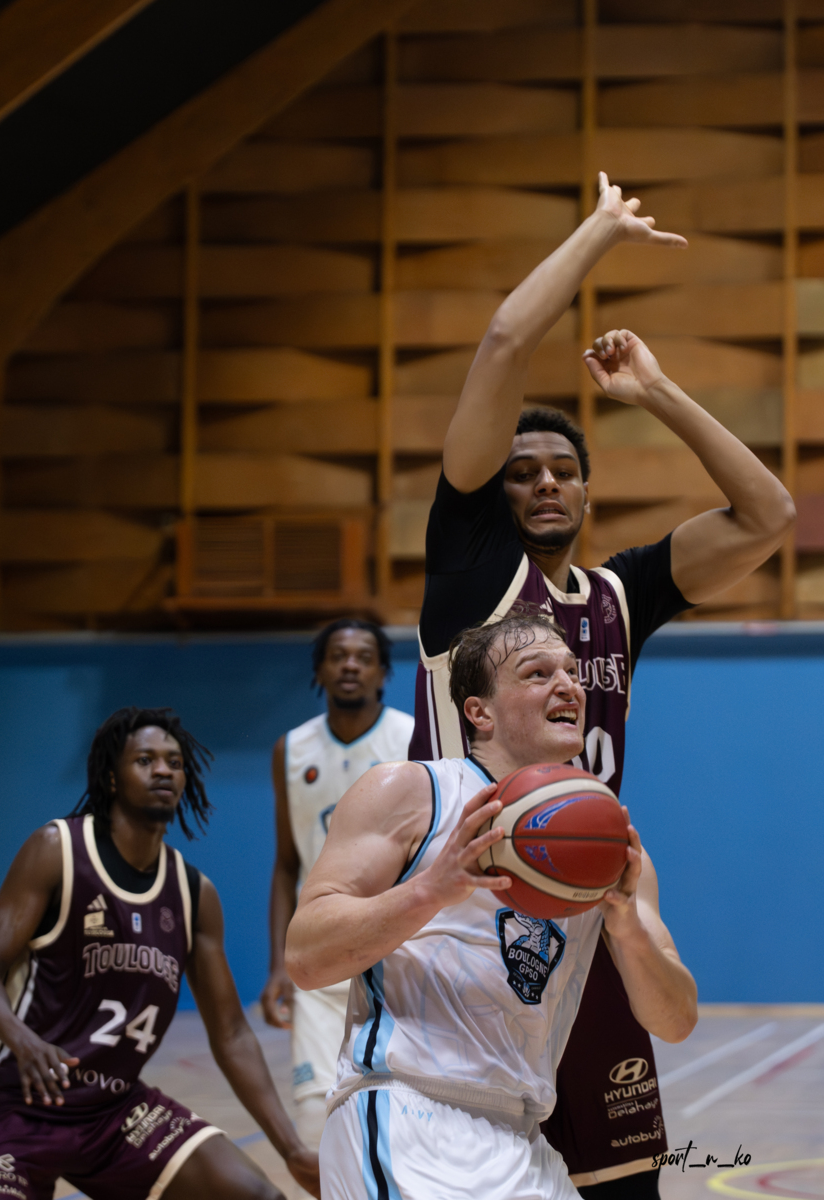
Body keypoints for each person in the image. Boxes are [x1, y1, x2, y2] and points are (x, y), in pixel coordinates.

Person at [408, 174, 795, 1194]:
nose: (544, 481)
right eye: (522, 469)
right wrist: (602, 231)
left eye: (563, 470)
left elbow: (769, 518)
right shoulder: (471, 574)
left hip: (586, 910)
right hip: (469, 921)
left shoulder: (620, 594)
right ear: (492, 492)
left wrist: (657, 392)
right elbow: (504, 341)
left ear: (586, 488)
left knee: (623, 1186)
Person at [285, 612, 697, 1200]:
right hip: (407, 1113)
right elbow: (306, 957)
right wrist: (431, 888)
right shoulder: (412, 792)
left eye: (572, 672)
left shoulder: (607, 847)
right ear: (480, 712)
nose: (568, 686)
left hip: (521, 1133)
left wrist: (627, 929)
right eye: (537, 674)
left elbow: (676, 1020)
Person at [0, 707, 319, 1200]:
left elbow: (232, 1034)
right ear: (112, 777)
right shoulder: (56, 850)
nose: (163, 770)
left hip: (113, 1114)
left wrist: (291, 1148)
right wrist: (24, 1042)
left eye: (174, 762)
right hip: (20, 1105)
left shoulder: (193, 894)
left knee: (257, 1196)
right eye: (145, 760)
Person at [261, 620, 414, 1148]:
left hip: (393, 954)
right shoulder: (291, 749)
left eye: (364, 656)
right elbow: (286, 864)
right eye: (338, 655)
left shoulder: (410, 740)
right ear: (320, 670)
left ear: (383, 672)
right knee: (314, 1126)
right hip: (320, 955)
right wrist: (278, 965)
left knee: (393, 1126)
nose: (350, 664)